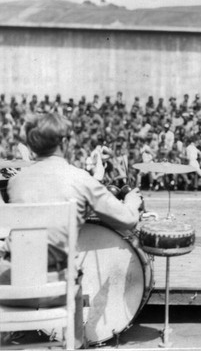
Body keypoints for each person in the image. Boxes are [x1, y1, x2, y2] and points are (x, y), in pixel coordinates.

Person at [0, 112, 143, 305]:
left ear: (32, 145)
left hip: (10, 284)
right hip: (56, 288)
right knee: (77, 281)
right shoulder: (80, 178)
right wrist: (131, 202)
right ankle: (74, 335)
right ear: (65, 143)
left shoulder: (16, 182)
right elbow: (127, 220)